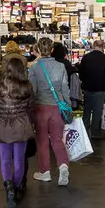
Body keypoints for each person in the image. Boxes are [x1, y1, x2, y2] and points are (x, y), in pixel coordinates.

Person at [0, 57, 34, 208]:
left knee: (5, 159)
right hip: (21, 125)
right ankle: (15, 187)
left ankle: (8, 185)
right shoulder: (26, 86)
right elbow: (30, 107)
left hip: (3, 125)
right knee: (19, 160)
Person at [28, 37, 71, 186]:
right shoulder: (61, 66)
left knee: (42, 140)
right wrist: (68, 106)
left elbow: (32, 91)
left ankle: (45, 171)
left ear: (38, 50)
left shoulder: (33, 68)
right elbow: (65, 89)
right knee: (57, 139)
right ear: (52, 49)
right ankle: (63, 166)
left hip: (41, 107)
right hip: (57, 107)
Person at [78, 40, 105, 139]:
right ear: (102, 47)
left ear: (93, 46)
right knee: (97, 112)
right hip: (100, 89)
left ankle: (84, 131)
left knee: (87, 111)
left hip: (88, 88)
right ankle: (95, 132)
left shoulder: (86, 58)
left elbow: (81, 74)